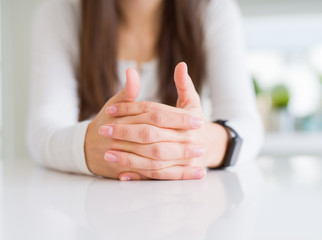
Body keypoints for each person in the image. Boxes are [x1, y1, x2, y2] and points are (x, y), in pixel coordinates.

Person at [27, 0, 264, 181]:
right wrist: (87, 147)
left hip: (183, 206)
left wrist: (200, 144)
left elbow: (248, 124)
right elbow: (42, 129)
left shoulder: (213, 8)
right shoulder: (60, 11)